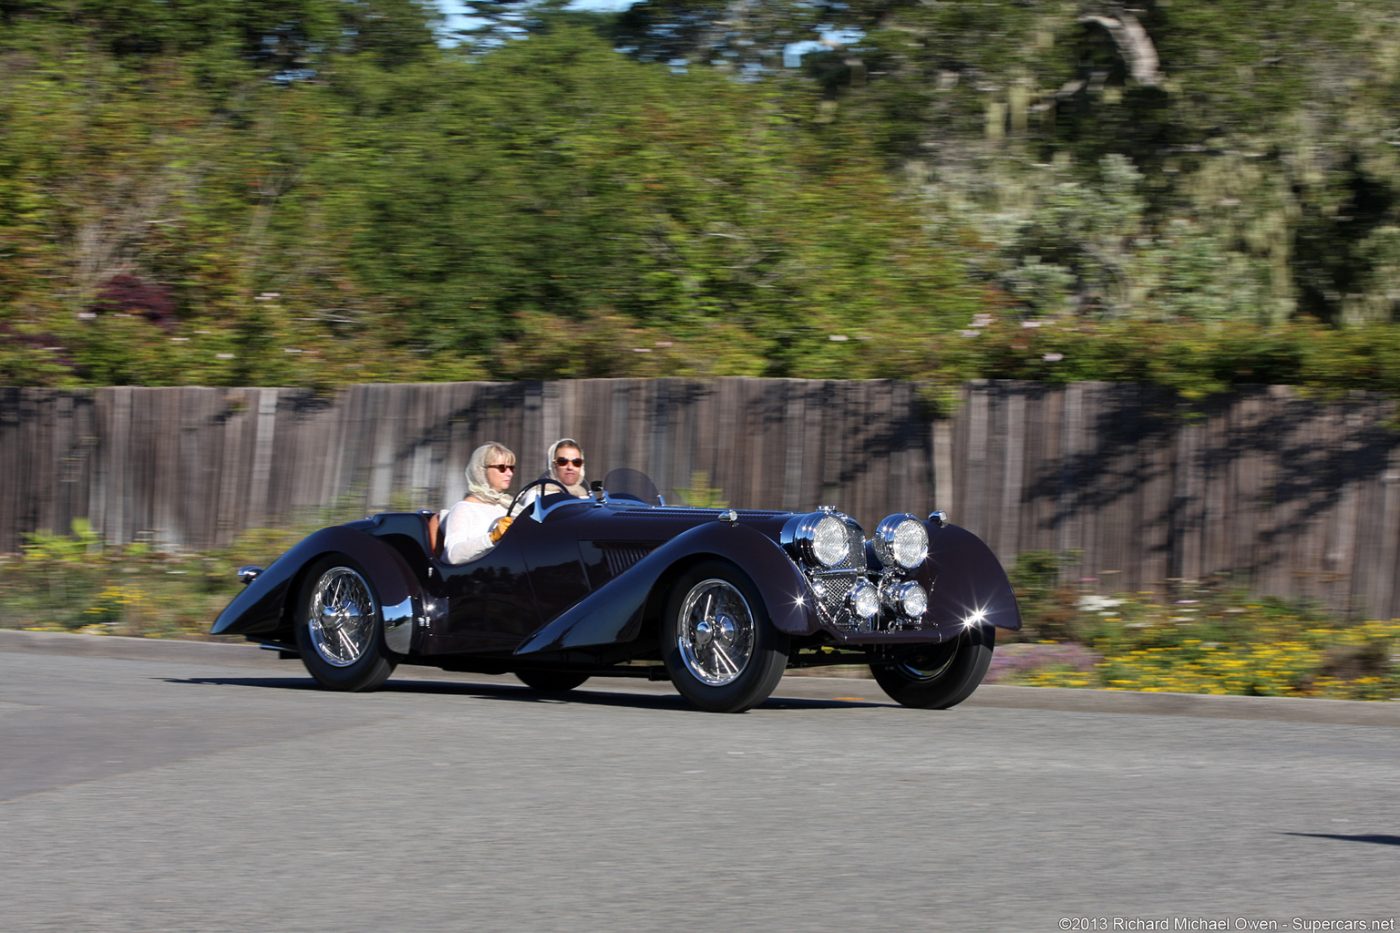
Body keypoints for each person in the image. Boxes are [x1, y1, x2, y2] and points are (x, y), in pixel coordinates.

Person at [442, 442, 517, 564]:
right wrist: (492, 538)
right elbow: (453, 555)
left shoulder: (508, 505)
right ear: (481, 470)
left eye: (512, 468)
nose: (509, 473)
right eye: (502, 468)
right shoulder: (463, 508)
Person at [522, 437, 590, 504]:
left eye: (576, 462)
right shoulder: (537, 496)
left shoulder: (587, 497)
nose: (570, 467)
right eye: (562, 462)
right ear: (553, 465)